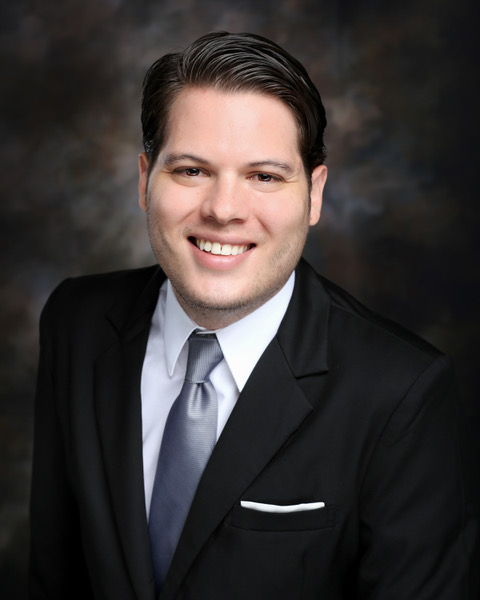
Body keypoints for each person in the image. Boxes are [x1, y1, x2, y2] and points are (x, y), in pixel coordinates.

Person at [29, 31, 479, 599]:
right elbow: (53, 574)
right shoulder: (75, 323)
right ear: (145, 180)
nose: (223, 209)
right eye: (191, 170)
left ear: (314, 194)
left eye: (264, 176)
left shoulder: (401, 393)